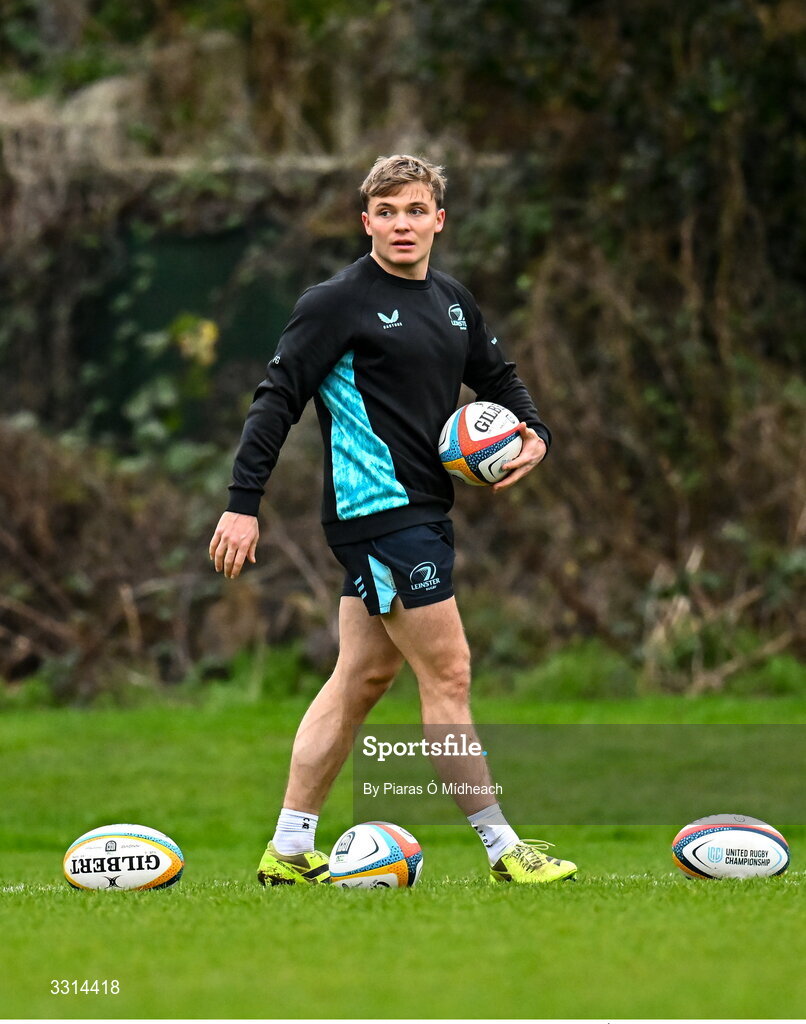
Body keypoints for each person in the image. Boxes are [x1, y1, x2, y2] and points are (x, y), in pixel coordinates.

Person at [209, 154, 577, 885]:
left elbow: (496, 376)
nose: (401, 224)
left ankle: (287, 850)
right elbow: (276, 399)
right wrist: (242, 504)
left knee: (362, 677)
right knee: (450, 672)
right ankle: (507, 851)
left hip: (422, 510)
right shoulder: (335, 301)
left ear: (438, 218)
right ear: (366, 221)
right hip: (379, 512)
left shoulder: (450, 299)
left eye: (415, 211)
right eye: (386, 212)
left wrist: (533, 430)